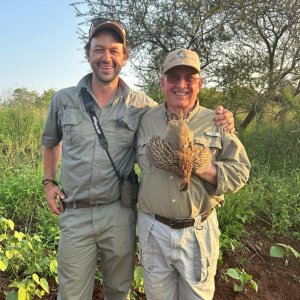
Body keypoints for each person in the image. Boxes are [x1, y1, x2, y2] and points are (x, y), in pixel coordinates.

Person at [41, 17, 235, 300]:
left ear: (124, 57)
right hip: (75, 211)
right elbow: (50, 142)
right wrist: (48, 181)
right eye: (99, 49)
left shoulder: (143, 106)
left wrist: (224, 120)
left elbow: (178, 112)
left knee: (119, 291)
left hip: (119, 213)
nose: (106, 57)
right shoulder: (63, 100)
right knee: (70, 294)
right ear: (88, 53)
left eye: (114, 51)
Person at [136, 49, 250, 300]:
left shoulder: (217, 122)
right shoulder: (144, 119)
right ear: (162, 82)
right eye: (174, 77)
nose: (182, 84)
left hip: (198, 231)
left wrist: (201, 167)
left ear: (200, 83)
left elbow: (240, 171)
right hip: (154, 229)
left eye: (190, 77)